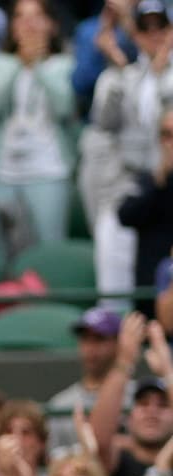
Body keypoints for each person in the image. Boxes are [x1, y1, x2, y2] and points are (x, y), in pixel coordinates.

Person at [85, 0, 173, 311]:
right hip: (130, 186)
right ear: (135, 35)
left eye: (160, 27)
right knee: (115, 286)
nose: (154, 36)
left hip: (169, 188)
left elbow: (165, 121)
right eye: (145, 29)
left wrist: (160, 77)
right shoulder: (118, 75)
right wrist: (123, 71)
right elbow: (104, 122)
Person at [0, 0, 77, 257]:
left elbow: (64, 107)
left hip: (48, 169)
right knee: (4, 252)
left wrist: (38, 66)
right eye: (21, 17)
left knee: (49, 253)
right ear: (12, 26)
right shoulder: (2, 63)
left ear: (52, 25)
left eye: (37, 16)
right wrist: (20, 63)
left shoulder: (63, 64)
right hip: (3, 170)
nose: (28, 24)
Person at [90, 314, 173, 476]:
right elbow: (98, 439)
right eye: (143, 404)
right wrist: (124, 361)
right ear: (129, 417)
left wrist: (168, 370)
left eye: (162, 405)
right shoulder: (118, 459)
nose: (152, 411)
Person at [47, 307, 130, 455]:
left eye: (99, 339)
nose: (91, 348)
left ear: (119, 343)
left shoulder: (140, 397)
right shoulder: (60, 404)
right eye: (85, 339)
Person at [119, 106, 173, 300]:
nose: (171, 143)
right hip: (151, 288)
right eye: (166, 134)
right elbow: (125, 216)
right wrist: (158, 184)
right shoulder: (147, 179)